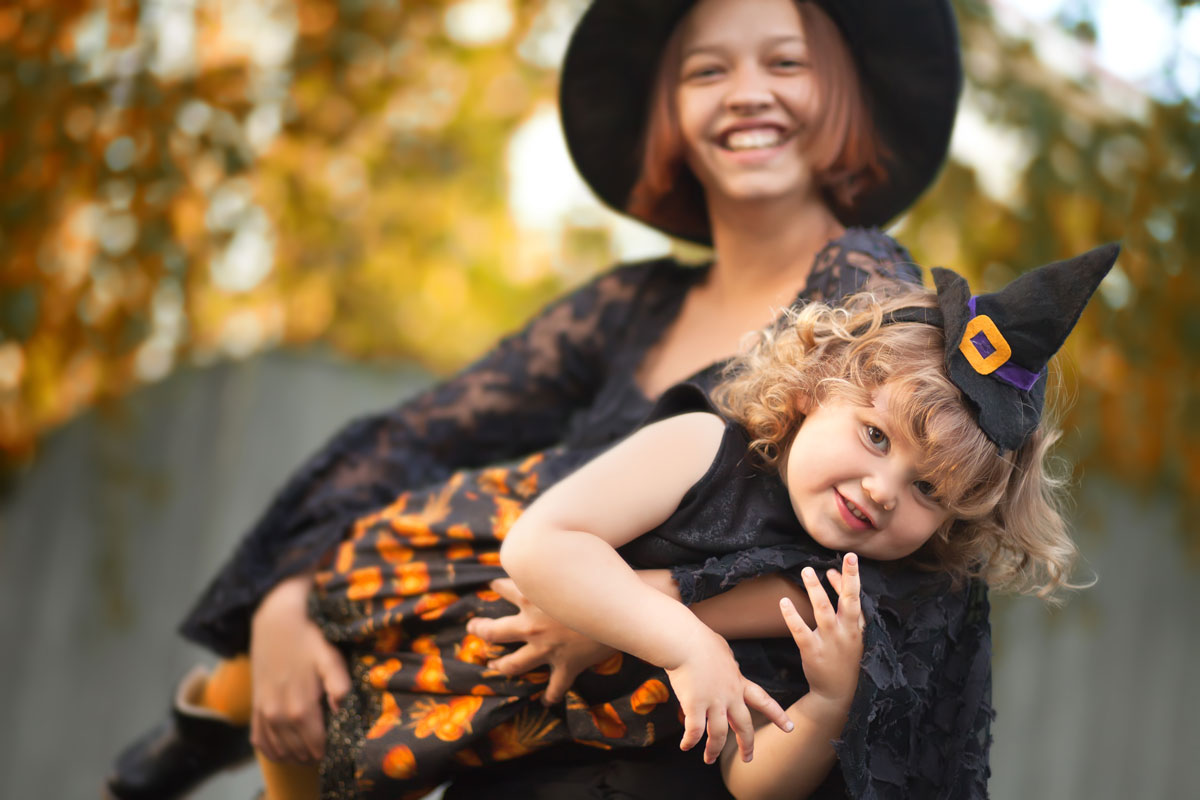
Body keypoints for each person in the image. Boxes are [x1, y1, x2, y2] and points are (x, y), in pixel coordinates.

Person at [104, 0, 962, 798]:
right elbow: (422, 436)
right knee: (412, 578)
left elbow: (905, 573)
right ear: (667, 111)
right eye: (706, 72)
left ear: (846, 92)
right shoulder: (635, 305)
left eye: (786, 62)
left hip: (683, 752)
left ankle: (228, 714)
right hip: (520, 710)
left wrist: (634, 611)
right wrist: (289, 596)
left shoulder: (864, 294)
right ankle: (228, 704)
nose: (746, 94)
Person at [499, 244, 1117, 798]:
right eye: (875, 435)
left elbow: (749, 782)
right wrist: (688, 645)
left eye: (928, 488)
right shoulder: (699, 448)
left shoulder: (857, 604)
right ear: (811, 389)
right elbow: (538, 545)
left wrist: (827, 702)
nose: (882, 490)